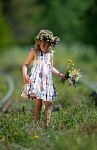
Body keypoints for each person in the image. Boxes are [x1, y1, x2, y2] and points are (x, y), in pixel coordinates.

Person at [21, 29, 66, 128]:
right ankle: (37, 125)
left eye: (49, 45)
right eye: (44, 45)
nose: (46, 48)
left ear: (52, 44)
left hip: (47, 82)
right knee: (38, 104)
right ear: (38, 42)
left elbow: (50, 67)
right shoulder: (34, 52)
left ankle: (47, 125)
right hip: (36, 82)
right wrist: (24, 75)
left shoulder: (51, 54)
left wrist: (60, 74)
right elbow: (25, 64)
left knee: (49, 104)